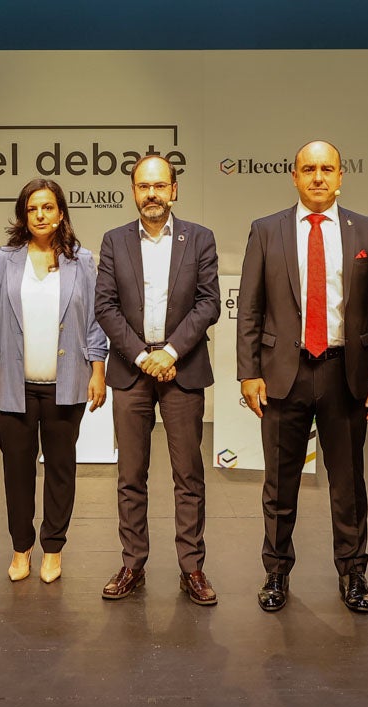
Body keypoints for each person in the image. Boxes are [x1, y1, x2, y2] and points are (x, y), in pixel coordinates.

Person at [236, 140, 368, 613]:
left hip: (345, 373)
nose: (319, 178)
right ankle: (277, 574)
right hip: (283, 374)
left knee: (348, 485)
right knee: (280, 485)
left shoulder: (367, 230)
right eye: (309, 169)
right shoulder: (266, 230)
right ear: (294, 176)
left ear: (341, 175)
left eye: (328, 169)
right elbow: (250, 307)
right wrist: (249, 371)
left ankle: (353, 574)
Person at [94, 155, 221, 604]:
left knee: (188, 474)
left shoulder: (199, 239)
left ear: (174, 190)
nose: (152, 193)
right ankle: (133, 564)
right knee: (131, 475)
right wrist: (142, 356)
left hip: (182, 369)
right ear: (133, 192)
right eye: (143, 186)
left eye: (160, 185)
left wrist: (168, 352)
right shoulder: (114, 241)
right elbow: (104, 307)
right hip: (132, 373)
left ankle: (192, 568)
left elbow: (209, 303)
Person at [0, 179, 108, 584]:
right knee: (17, 471)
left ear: (61, 213)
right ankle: (21, 548)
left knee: (62, 469)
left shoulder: (82, 261)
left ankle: (53, 549)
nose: (40, 215)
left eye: (48, 207)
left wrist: (98, 371)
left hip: (66, 385)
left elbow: (94, 321)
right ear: (23, 214)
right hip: (14, 385)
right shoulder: (2, 260)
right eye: (32, 209)